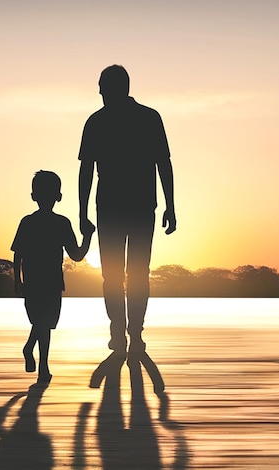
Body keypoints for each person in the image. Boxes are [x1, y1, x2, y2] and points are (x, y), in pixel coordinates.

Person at [78, 65, 176, 355]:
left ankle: (131, 332)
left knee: (129, 273)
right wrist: (82, 212)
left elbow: (163, 163)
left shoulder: (141, 118)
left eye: (101, 86)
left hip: (128, 206)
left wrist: (171, 205)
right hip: (124, 206)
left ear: (115, 87)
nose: (98, 92)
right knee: (126, 273)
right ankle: (123, 331)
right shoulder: (134, 118)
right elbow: (86, 169)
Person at [11, 170, 94, 384]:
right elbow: (18, 254)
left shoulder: (58, 223)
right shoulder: (32, 223)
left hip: (49, 282)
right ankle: (42, 365)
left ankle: (33, 353)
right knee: (43, 324)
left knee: (43, 323)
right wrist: (17, 281)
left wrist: (87, 236)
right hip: (38, 282)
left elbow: (75, 255)